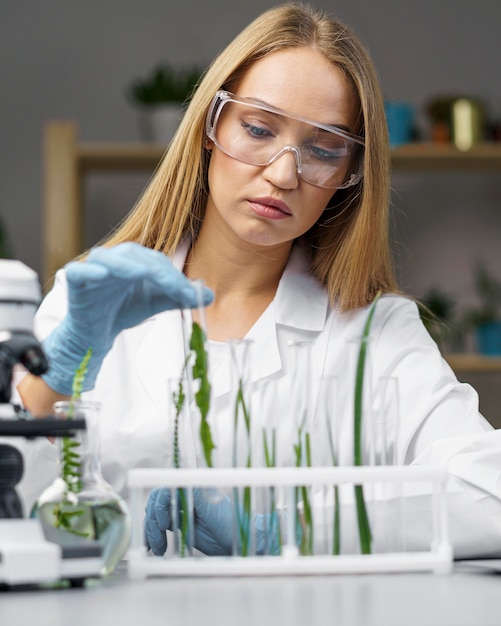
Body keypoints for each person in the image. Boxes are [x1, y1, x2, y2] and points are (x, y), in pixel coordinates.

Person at [11, 3, 501, 558]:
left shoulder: (375, 334)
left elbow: (491, 495)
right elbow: (17, 511)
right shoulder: (93, 296)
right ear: (208, 127)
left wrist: (286, 530)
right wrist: (59, 372)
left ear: (348, 175)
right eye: (259, 128)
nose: (285, 173)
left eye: (324, 149)